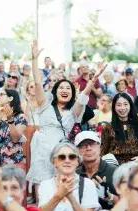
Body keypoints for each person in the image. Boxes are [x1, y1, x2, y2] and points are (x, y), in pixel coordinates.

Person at [26, 41, 104, 197]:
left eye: (68, 88)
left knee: (63, 193)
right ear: (55, 92)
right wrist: (34, 60)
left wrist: (93, 80)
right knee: (43, 193)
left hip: (63, 154)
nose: (64, 90)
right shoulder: (44, 105)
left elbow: (82, 98)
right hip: (42, 153)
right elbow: (37, 83)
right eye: (61, 87)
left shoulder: (73, 111)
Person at [39, 142, 100, 211]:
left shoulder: (88, 184)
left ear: (78, 162)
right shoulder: (45, 185)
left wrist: (71, 197)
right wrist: (59, 196)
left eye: (72, 157)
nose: (67, 160)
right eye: (62, 157)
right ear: (54, 162)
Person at [102, 93, 138, 164]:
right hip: (115, 166)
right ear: (114, 107)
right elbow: (103, 151)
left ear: (130, 105)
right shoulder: (108, 127)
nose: (122, 108)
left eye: (125, 104)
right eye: (119, 105)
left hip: (136, 165)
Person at [75, 131, 117, 210]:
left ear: (100, 147)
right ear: (77, 151)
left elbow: (130, 204)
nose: (88, 148)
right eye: (83, 145)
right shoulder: (74, 175)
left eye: (92, 144)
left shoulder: (115, 172)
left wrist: (109, 196)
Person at [0, 88, 27, 169]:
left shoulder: (20, 117)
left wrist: (10, 120)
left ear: (10, 98)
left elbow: (15, 139)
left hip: (13, 162)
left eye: (1, 95)